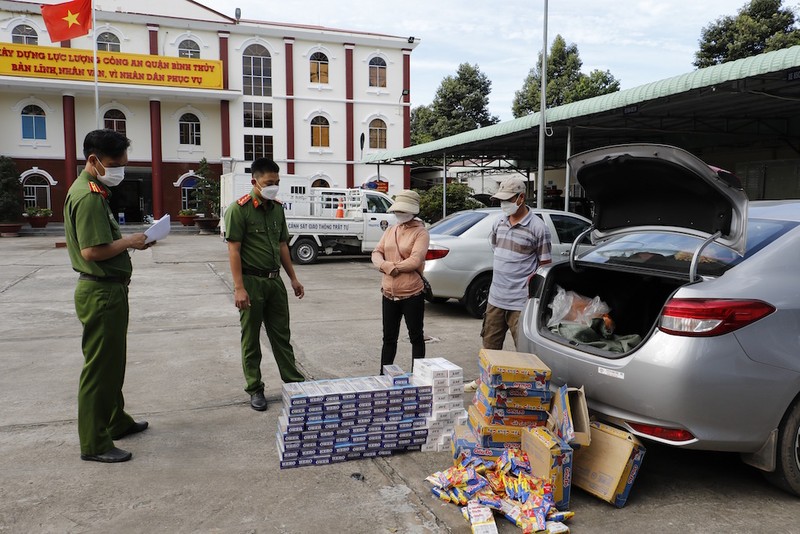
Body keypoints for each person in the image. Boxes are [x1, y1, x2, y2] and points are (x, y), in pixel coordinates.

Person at [64, 129, 152, 463]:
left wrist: (135, 241)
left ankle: (116, 421)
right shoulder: (88, 197)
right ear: (93, 160)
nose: (121, 170)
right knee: (100, 370)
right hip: (100, 293)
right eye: (115, 164)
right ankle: (95, 443)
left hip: (109, 291)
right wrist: (130, 241)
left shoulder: (96, 191)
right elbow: (91, 251)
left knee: (113, 363)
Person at [224, 158, 305, 411]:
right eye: (269, 182)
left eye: (277, 182)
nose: (274, 186)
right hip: (251, 282)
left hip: (274, 281)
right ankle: (255, 388)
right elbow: (234, 250)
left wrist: (292, 278)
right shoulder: (239, 210)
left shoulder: (277, 209)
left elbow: (283, 245)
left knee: (281, 335)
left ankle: (293, 382)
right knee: (250, 338)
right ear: (255, 181)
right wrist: (239, 287)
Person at [464, 177, 552, 392]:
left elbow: (545, 266)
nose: (503, 204)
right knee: (490, 345)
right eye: (501, 200)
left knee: (525, 350)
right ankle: (485, 381)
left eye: (508, 200)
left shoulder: (538, 228)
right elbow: (497, 249)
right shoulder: (499, 222)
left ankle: (526, 389)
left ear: (521, 198)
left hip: (520, 302)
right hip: (496, 297)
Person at [371, 190, 430, 374]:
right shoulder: (391, 230)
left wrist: (392, 267)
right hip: (388, 293)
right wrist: (386, 266)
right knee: (388, 338)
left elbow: (415, 260)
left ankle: (417, 376)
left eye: (404, 211)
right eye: (398, 211)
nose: (399, 214)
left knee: (416, 337)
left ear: (413, 211)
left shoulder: (421, 233)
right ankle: (383, 376)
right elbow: (376, 252)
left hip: (412, 293)